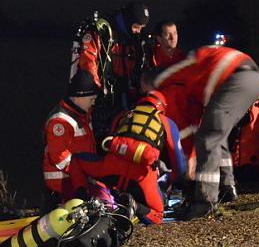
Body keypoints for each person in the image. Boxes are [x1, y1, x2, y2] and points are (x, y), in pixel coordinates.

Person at [145, 45, 259, 220]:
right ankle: (226, 187)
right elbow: (194, 125)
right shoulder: (201, 70)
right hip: (250, 78)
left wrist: (153, 84)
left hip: (237, 79)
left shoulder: (187, 66)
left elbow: (167, 75)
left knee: (209, 139)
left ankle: (205, 203)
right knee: (217, 135)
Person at [69, 90, 186, 224]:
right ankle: (136, 206)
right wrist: (168, 181)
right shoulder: (166, 122)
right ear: (162, 108)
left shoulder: (123, 115)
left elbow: (110, 142)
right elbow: (180, 166)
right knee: (157, 215)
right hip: (142, 176)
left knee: (77, 160)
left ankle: (81, 202)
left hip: (111, 167)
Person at [76, 1, 153, 132]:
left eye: (141, 27)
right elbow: (88, 62)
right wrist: (96, 92)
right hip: (102, 97)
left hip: (126, 96)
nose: (138, 31)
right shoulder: (103, 33)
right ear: (127, 21)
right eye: (136, 26)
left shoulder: (136, 39)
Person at [42, 70, 98, 202]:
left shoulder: (82, 115)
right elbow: (60, 157)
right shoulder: (60, 121)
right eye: (91, 99)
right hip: (63, 185)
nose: (93, 103)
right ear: (79, 97)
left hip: (77, 183)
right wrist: (85, 171)